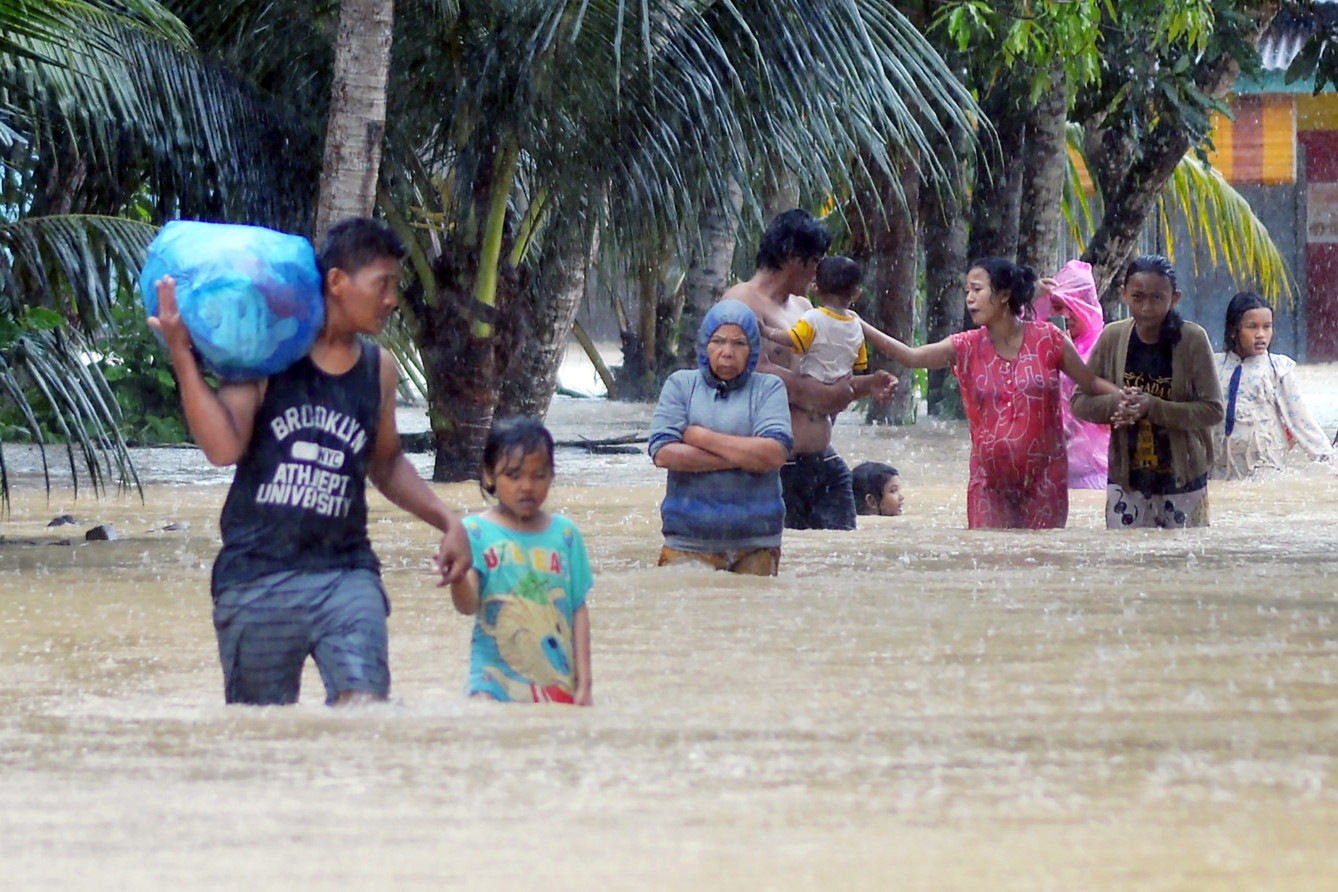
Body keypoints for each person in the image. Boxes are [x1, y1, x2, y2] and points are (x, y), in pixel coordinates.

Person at [148, 217, 472, 706]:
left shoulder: (377, 370)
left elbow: (385, 464)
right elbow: (222, 449)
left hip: (346, 575)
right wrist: (181, 355)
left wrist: (448, 519)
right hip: (256, 577)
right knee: (264, 736)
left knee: (367, 713)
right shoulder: (265, 349)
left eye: (395, 287)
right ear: (338, 281)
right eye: (382, 284)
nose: (391, 300)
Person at [861, 257, 1119, 529]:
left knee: (1041, 560)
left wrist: (1130, 399)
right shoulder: (965, 346)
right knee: (989, 558)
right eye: (967, 292)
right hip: (989, 484)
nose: (969, 299)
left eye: (976, 290)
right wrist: (860, 326)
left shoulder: (1049, 338)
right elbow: (911, 357)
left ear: (1005, 294)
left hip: (1045, 482)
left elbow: (1089, 383)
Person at [728, 210, 896, 532]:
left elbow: (832, 374)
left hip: (826, 463)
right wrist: (824, 396)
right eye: (816, 261)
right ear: (794, 257)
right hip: (776, 466)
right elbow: (756, 372)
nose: (819, 273)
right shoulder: (740, 302)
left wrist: (865, 385)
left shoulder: (806, 308)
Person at [447, 417, 593, 705]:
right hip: (492, 680)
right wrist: (456, 578)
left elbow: (577, 611)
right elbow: (468, 606)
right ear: (489, 476)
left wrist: (585, 683)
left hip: (555, 679)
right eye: (514, 476)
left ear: (551, 476)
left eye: (538, 476)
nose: (526, 486)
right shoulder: (474, 533)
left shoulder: (565, 536)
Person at [1072, 255, 1224, 528]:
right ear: (1124, 295)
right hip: (1127, 479)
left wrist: (1152, 407)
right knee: (1126, 563)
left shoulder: (1192, 339)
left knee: (1182, 562)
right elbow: (1079, 401)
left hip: (1183, 477)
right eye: (1138, 297)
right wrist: (1118, 405)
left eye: (1157, 298)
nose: (1146, 308)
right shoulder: (1112, 337)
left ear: (1174, 298)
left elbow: (1213, 410)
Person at [647, 298, 793, 576]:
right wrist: (745, 457)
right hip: (687, 540)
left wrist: (700, 437)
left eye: (739, 343)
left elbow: (774, 454)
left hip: (757, 543)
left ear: (752, 350)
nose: (727, 352)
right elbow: (663, 453)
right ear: (704, 346)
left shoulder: (769, 388)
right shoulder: (681, 385)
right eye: (718, 341)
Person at [1212, 291, 1335, 479]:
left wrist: (1327, 458)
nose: (1261, 335)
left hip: (1264, 469)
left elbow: (1300, 420)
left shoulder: (1277, 368)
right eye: (1252, 327)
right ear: (1232, 330)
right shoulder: (1214, 365)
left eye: (1267, 327)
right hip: (1219, 470)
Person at [1033, 260, 1110, 489]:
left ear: (1085, 305)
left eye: (1070, 306)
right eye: (1056, 307)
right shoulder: (1042, 343)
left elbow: (1101, 399)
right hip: (1048, 472)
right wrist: (1030, 299)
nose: (1064, 314)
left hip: (1094, 473)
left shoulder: (1104, 344)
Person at [759, 255, 872, 385]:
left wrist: (768, 332)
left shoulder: (813, 318)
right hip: (839, 392)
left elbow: (793, 339)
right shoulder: (857, 327)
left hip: (812, 387)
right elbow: (859, 364)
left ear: (815, 289)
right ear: (856, 294)